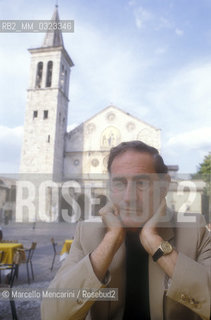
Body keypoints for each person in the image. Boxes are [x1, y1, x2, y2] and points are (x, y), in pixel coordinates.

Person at [41, 141, 210, 320]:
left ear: (164, 186)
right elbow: (52, 315)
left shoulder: (195, 230)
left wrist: (155, 243)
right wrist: (111, 240)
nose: (129, 198)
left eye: (142, 183)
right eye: (119, 183)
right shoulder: (87, 233)